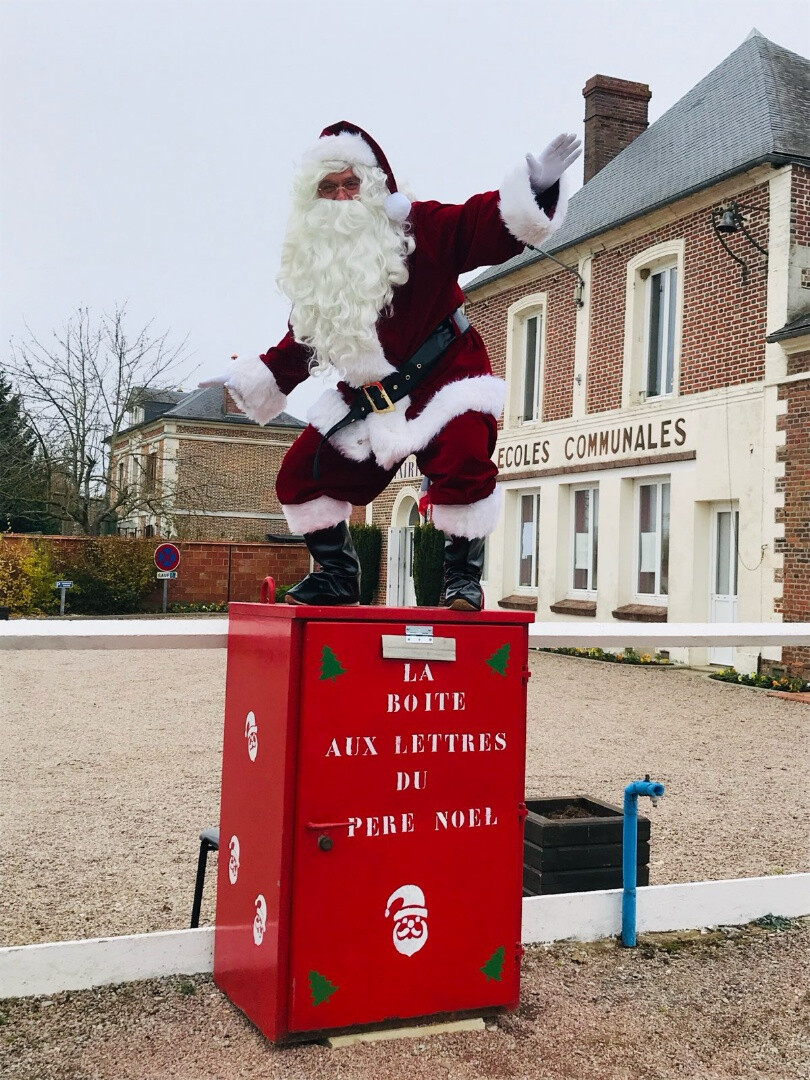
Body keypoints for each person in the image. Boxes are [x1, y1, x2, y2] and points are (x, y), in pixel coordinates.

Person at [201, 121, 580, 609]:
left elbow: (477, 226)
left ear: (375, 186)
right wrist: (251, 377)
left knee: (463, 455)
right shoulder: (317, 274)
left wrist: (536, 188)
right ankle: (338, 578)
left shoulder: (420, 227)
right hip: (373, 399)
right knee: (302, 473)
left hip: (447, 379)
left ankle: (462, 580)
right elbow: (299, 346)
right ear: (313, 199)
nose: (341, 197)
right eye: (328, 188)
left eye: (351, 184)